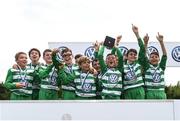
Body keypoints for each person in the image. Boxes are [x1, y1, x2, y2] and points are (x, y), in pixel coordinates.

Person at [123, 25, 145, 99]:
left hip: (139, 89)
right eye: (131, 54)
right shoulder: (123, 66)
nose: (133, 56)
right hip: (128, 90)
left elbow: (142, 48)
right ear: (126, 56)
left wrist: (137, 34)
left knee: (141, 110)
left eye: (135, 55)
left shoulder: (138, 63)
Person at [143, 33, 167, 99]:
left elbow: (164, 55)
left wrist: (161, 42)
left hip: (161, 93)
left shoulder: (161, 67)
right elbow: (144, 55)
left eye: (156, 57)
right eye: (152, 57)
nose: (154, 58)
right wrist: (145, 43)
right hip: (150, 93)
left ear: (159, 59)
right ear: (149, 59)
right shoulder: (147, 67)